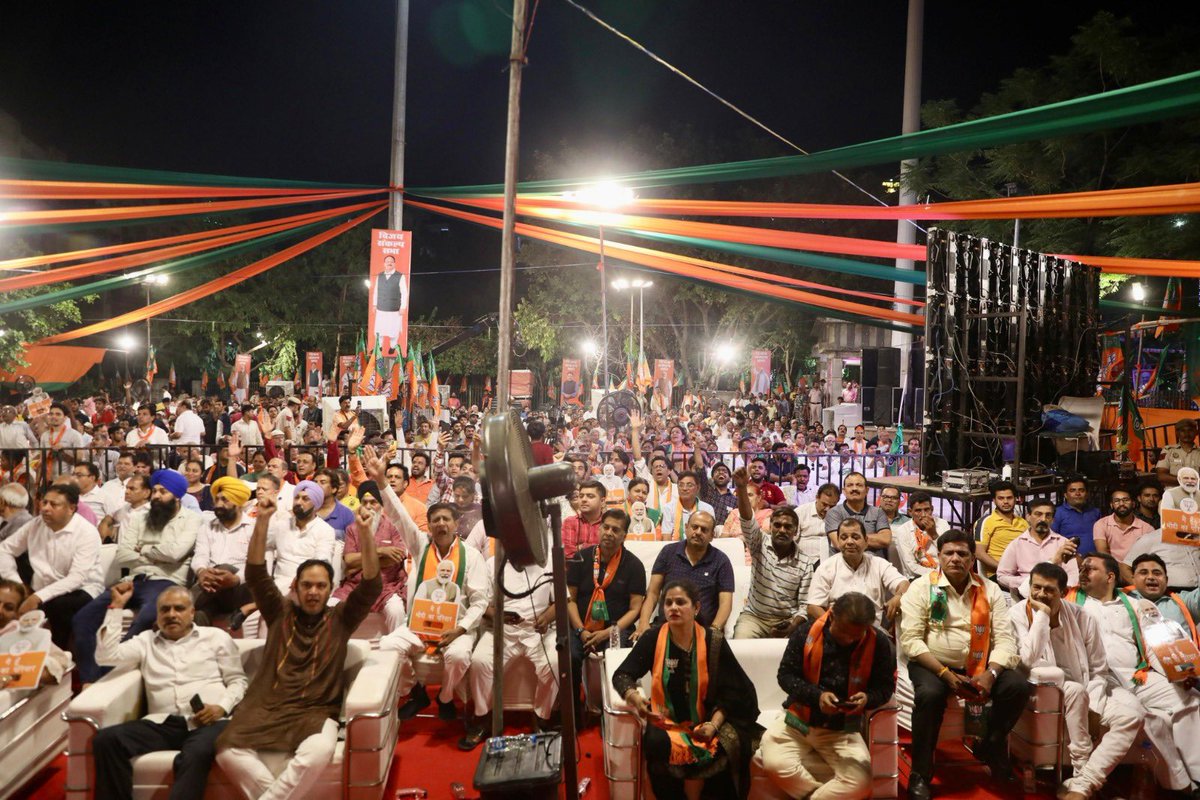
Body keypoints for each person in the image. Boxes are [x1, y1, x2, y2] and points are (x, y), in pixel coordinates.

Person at [214, 485, 380, 800]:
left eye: (321, 586)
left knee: (318, 751)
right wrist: (262, 519)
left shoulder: (341, 619)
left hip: (316, 712)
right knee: (226, 748)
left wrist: (365, 531)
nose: (314, 592)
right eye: (307, 585)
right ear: (296, 586)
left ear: (331, 588)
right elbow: (256, 573)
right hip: (266, 706)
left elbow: (371, 586)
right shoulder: (280, 611)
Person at [899, 529, 1028, 798]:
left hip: (981, 667)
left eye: (962, 554)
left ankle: (990, 744)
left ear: (972, 560)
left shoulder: (989, 589)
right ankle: (921, 773)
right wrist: (945, 675)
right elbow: (911, 641)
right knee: (930, 695)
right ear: (939, 556)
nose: (955, 558)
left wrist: (991, 673)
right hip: (933, 665)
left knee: (1017, 686)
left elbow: (1005, 639)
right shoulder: (922, 587)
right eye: (949, 553)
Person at [366, 447, 489, 724]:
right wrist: (381, 482)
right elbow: (399, 516)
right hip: (418, 625)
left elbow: (480, 601)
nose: (441, 524)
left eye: (447, 519)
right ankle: (415, 691)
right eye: (435, 520)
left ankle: (445, 697)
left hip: (456, 629)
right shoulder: (421, 545)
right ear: (430, 526)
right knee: (386, 646)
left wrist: (459, 629)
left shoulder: (472, 556)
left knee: (458, 657)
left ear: (457, 523)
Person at [93, 585, 248, 800]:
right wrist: (117, 607)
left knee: (196, 753)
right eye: (165, 610)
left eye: (179, 608)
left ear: (192, 612)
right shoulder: (145, 641)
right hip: (162, 724)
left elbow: (238, 681)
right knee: (106, 740)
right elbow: (105, 656)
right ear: (157, 615)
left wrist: (221, 707)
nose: (171, 615)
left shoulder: (215, 637)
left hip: (208, 722)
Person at [613, 580, 762, 800]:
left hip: (708, 720)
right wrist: (637, 700)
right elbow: (622, 675)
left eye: (680, 602)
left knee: (733, 744)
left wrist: (714, 724)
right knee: (655, 744)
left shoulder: (713, 641)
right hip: (666, 722)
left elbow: (735, 692)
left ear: (696, 608)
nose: (673, 607)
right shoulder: (653, 637)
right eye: (668, 603)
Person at [1007, 562, 1140, 800]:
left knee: (1132, 717)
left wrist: (1094, 707)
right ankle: (1083, 777)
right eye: (1036, 588)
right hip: (1045, 689)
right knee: (1075, 690)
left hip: (1090, 687)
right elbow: (1027, 659)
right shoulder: (1018, 613)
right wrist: (1042, 617)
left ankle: (1082, 783)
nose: (1040, 594)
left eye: (1049, 590)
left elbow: (1098, 669)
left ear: (1063, 591)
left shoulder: (1083, 617)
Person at [1075, 552, 1200, 791]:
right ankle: (1180, 785)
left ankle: (1198, 775)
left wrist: (1177, 674)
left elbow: (1154, 646)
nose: (1083, 574)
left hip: (1136, 676)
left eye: (1090, 569)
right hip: (1100, 680)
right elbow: (1033, 589)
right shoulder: (1072, 600)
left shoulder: (1135, 604)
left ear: (1110, 576)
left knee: (1191, 699)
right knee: (1146, 717)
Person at [760, 592, 896, 800]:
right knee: (774, 764)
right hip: (798, 721)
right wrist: (817, 697)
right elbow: (785, 676)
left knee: (860, 782)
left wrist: (868, 698)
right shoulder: (805, 633)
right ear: (831, 616)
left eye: (856, 635)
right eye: (843, 632)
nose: (848, 639)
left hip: (842, 728)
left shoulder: (878, 643)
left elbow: (885, 688)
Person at [75, 469, 200, 685]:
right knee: (83, 618)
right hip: (132, 579)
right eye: (155, 491)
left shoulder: (191, 520)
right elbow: (123, 555)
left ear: (177, 496)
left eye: (163, 492)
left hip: (167, 582)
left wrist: (142, 549)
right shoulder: (139, 518)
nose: (157, 496)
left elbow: (174, 553)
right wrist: (127, 575)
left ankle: (106, 678)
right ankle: (89, 679)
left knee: (145, 618)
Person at [462, 555, 556, 749]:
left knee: (554, 662)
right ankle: (483, 716)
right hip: (502, 631)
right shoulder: (493, 563)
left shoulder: (547, 562)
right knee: (480, 661)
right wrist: (499, 615)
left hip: (537, 632)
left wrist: (546, 618)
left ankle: (541, 717)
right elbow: (482, 605)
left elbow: (561, 600)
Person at [0, 483, 102, 648]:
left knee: (59, 606)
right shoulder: (36, 524)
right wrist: (17, 584)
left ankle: (55, 659)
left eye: (53, 504)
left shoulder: (87, 533)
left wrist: (37, 597)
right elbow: (5, 550)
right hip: (40, 588)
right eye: (44, 502)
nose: (45, 508)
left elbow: (76, 578)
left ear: (71, 508)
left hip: (81, 589)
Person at [567, 509, 646, 716]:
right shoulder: (581, 558)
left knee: (619, 659)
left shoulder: (634, 565)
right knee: (568, 656)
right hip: (580, 627)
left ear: (624, 535)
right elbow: (570, 600)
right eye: (606, 527)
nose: (609, 533)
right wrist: (581, 630)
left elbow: (635, 609)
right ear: (600, 528)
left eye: (616, 530)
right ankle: (574, 712)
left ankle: (612, 713)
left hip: (616, 629)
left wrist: (608, 632)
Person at [729, 467, 815, 639]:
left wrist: (792, 625)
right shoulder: (759, 543)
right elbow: (747, 519)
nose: (782, 530)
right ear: (771, 527)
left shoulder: (805, 562)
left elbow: (805, 604)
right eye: (777, 525)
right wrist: (741, 487)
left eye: (788, 527)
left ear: (796, 531)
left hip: (787, 620)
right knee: (740, 647)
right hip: (754, 618)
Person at [633, 511, 734, 639]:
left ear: (712, 535)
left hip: (703, 631)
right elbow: (652, 593)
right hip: (666, 627)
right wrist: (643, 623)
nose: (698, 532)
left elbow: (726, 603)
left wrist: (713, 631)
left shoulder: (721, 561)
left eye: (704, 530)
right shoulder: (668, 553)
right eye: (694, 527)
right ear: (686, 528)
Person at [331, 482, 408, 633]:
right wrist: (381, 552)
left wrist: (361, 562)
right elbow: (349, 560)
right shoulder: (353, 528)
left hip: (386, 587)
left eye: (373, 502)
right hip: (354, 586)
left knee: (396, 611)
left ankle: (395, 653)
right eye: (364, 502)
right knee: (331, 606)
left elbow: (396, 557)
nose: (369, 506)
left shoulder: (394, 527)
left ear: (381, 504)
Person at [808, 519, 908, 625]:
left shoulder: (879, 564)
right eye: (844, 538)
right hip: (836, 630)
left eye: (855, 537)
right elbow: (813, 607)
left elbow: (904, 584)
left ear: (866, 541)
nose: (849, 542)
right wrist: (836, 626)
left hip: (872, 632)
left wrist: (899, 596)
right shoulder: (826, 567)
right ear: (838, 541)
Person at [190, 477, 255, 627]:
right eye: (217, 499)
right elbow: (200, 555)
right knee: (199, 615)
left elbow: (257, 566)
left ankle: (180, 604)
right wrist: (201, 572)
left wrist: (235, 579)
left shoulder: (253, 528)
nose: (218, 504)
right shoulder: (207, 527)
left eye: (225, 500)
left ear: (238, 503)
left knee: (224, 568)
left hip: (240, 589)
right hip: (210, 588)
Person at [996, 498, 1079, 598]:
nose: (1043, 519)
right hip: (1025, 597)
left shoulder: (1063, 543)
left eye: (1048, 515)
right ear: (1028, 517)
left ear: (1052, 520)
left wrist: (1059, 590)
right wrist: (1027, 582)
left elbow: (1073, 576)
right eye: (1038, 514)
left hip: (1056, 597)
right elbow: (1002, 576)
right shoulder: (1017, 544)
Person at [1129, 553, 1199, 643]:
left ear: (1166, 580)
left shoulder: (1183, 601)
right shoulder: (1120, 600)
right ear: (1133, 579)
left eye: (1157, 573)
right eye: (1143, 573)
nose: (1151, 577)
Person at [824, 473, 890, 557]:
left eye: (859, 485)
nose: (854, 488)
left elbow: (885, 540)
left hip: (875, 564)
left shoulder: (878, 512)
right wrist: (873, 539)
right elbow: (838, 543)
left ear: (867, 490)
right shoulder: (834, 513)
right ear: (844, 491)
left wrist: (849, 538)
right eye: (850, 485)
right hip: (843, 565)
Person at [974, 480, 1028, 576]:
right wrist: (1003, 569)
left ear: (1016, 499)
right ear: (994, 500)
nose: (1006, 502)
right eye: (1001, 498)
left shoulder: (1023, 523)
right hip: (997, 574)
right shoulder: (986, 522)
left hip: (1022, 573)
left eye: (1009, 498)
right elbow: (979, 553)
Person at [892, 492, 950, 580]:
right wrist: (936, 574)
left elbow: (948, 553)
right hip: (918, 578)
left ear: (932, 509)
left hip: (944, 573)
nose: (923, 515)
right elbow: (911, 567)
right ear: (910, 512)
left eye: (927, 509)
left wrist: (934, 534)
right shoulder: (903, 531)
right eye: (918, 511)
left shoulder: (943, 525)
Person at [1092, 486, 1153, 564]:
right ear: (1111, 505)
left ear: (1133, 503)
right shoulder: (1101, 524)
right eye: (1117, 501)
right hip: (1111, 568)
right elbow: (1103, 554)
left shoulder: (1147, 529)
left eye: (1126, 500)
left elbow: (1148, 556)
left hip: (1136, 569)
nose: (1121, 504)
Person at [659, 471, 716, 542]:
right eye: (681, 485)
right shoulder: (669, 508)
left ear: (698, 488)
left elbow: (710, 536)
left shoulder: (707, 509)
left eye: (689, 485)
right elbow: (666, 537)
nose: (684, 488)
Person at [1051, 477, 1100, 555]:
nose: (1077, 494)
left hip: (1095, 560)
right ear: (1065, 495)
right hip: (1070, 560)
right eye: (1072, 490)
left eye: (1081, 490)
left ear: (1087, 494)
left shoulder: (1095, 512)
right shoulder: (1057, 513)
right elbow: (1051, 541)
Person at [371, 253, 408, 351]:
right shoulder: (379, 275)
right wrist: (374, 304)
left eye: (391, 261)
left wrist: (403, 307)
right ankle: (379, 347)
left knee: (393, 330)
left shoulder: (400, 276)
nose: (389, 263)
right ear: (384, 264)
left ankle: (392, 347)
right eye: (387, 261)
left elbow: (404, 293)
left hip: (394, 309)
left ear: (394, 264)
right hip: (381, 308)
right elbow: (376, 291)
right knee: (379, 329)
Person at [562, 479, 606, 558]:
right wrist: (598, 549)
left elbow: (610, 553)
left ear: (602, 501)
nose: (584, 500)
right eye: (581, 496)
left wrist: (581, 547)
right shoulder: (569, 522)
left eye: (590, 496)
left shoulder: (608, 523)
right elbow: (567, 554)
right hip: (575, 569)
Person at [1155, 417, 1200, 487]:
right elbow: (1161, 476)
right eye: (1183, 431)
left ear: (1196, 432)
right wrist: (1189, 482)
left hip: (1196, 495)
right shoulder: (1168, 450)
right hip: (1173, 495)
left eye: (1190, 430)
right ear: (1177, 433)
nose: (1187, 434)